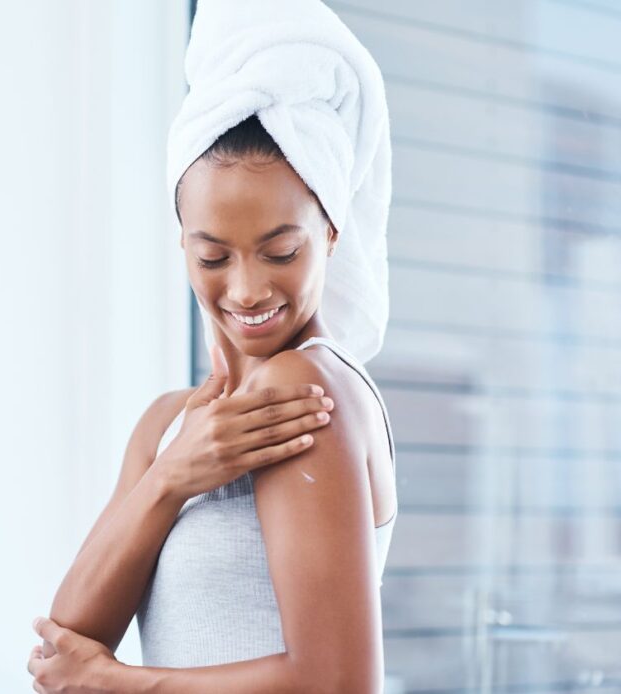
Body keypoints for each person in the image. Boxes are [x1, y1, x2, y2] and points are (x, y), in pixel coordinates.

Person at [29, 1, 397, 690]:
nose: (248, 289)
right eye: (213, 256)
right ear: (182, 243)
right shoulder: (169, 424)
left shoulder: (301, 389)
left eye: (280, 251)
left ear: (331, 234)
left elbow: (337, 682)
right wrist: (173, 475)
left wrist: (119, 683)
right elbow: (64, 647)